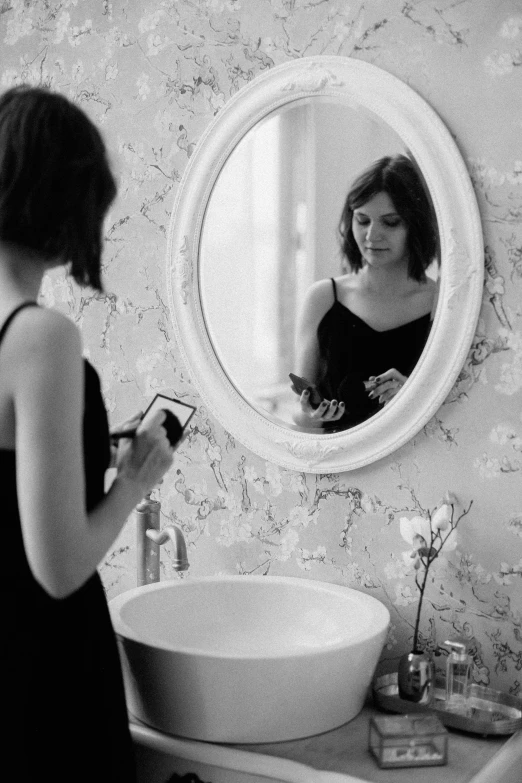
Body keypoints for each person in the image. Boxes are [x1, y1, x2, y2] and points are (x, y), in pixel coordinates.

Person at [1, 86, 177, 781]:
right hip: (38, 668)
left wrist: (85, 456)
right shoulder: (41, 335)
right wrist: (134, 479)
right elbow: (59, 566)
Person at [293, 154, 439, 432]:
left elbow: (452, 411)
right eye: (362, 220)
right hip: (336, 465)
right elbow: (299, 412)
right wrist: (310, 415)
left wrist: (413, 397)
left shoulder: (440, 303)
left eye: (391, 222)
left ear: (416, 226)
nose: (372, 236)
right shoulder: (323, 298)